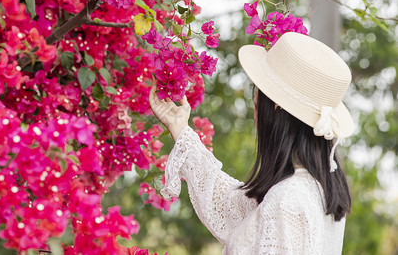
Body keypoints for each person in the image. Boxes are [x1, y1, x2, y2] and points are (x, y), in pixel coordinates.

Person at [148, 32, 354, 254]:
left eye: (258, 100)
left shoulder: (287, 201)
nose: (255, 112)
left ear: (275, 108)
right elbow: (229, 206)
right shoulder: (316, 191)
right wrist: (181, 130)